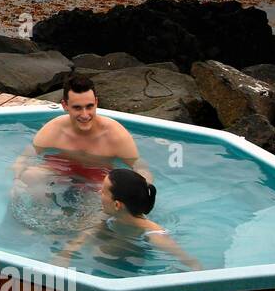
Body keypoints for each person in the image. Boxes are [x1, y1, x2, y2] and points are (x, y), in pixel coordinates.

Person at [13, 73, 151, 193]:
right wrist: (16, 181)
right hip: (63, 167)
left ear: (96, 102)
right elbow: (25, 156)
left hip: (99, 176)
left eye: (89, 106)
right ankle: (41, 216)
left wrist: (142, 192)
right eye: (77, 108)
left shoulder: (115, 134)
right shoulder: (54, 129)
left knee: (109, 197)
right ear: (65, 105)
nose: (85, 115)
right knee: (31, 175)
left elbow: (139, 166)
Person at [55, 168, 201, 271]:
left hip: (127, 270)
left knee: (99, 251)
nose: (99, 192)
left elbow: (192, 263)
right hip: (108, 262)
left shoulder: (155, 235)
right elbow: (86, 235)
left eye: (104, 191)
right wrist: (66, 254)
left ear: (117, 204)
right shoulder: (109, 216)